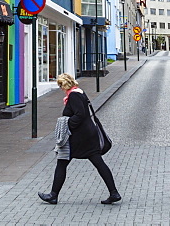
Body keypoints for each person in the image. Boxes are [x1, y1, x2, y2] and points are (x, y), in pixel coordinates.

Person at [38, 73, 120, 205]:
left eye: (61, 86)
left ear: (64, 85)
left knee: (62, 162)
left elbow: (80, 115)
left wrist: (66, 124)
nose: (61, 89)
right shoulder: (79, 92)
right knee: (98, 163)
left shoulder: (74, 95)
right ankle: (114, 192)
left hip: (79, 137)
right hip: (88, 135)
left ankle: (53, 195)